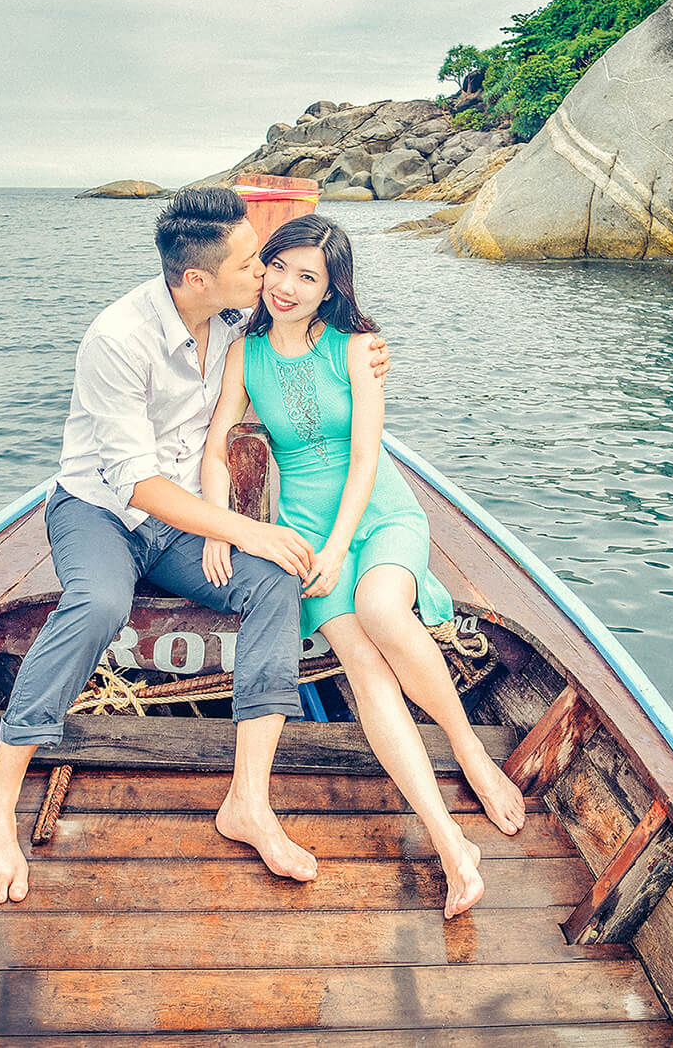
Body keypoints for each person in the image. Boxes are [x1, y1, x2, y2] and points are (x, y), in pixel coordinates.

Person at [0, 188, 389, 905]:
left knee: (274, 581)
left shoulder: (231, 321)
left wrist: (364, 355)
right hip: (99, 512)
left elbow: (301, 340)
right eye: (253, 262)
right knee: (99, 604)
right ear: (197, 278)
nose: (265, 274)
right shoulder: (117, 338)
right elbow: (135, 486)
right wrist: (243, 528)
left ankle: (248, 802)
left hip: (185, 521)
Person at [202, 214, 527, 921]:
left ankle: (469, 750)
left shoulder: (357, 347)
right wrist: (221, 525)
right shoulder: (243, 351)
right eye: (279, 266)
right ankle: (449, 844)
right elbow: (221, 443)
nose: (286, 285)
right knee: (364, 665)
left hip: (375, 515)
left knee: (383, 610)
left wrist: (337, 544)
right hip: (306, 533)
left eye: (307, 277)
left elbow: (365, 459)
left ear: (330, 291)